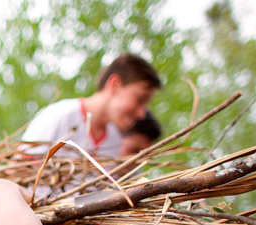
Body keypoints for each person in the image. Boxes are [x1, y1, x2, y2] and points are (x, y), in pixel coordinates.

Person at [22, 53, 161, 157]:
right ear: (115, 84)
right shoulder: (58, 116)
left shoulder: (115, 140)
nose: (142, 113)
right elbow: (19, 172)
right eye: (140, 100)